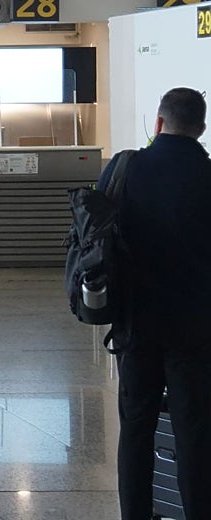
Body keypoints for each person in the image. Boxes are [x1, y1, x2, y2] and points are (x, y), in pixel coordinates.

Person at [105, 87, 211, 519]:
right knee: (194, 432)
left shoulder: (126, 167)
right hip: (196, 327)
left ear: (159, 123)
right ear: (201, 128)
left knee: (136, 427)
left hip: (136, 322)